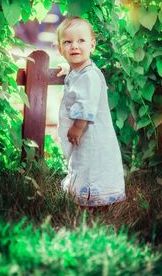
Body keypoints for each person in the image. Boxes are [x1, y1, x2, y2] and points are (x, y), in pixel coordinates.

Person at [57, 16, 126, 208]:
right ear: (60, 49)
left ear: (92, 45)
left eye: (81, 41)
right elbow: (77, 77)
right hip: (83, 132)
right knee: (80, 160)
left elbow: (87, 103)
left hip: (90, 132)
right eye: (68, 42)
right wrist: (67, 67)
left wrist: (78, 127)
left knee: (91, 163)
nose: (74, 46)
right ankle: (79, 189)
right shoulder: (79, 70)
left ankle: (94, 196)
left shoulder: (91, 76)